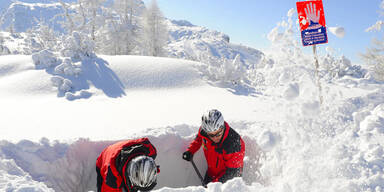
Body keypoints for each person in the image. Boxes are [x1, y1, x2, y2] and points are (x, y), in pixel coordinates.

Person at [182, 109, 245, 185]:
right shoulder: (204, 132)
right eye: (211, 135)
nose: (215, 138)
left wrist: (214, 184)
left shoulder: (234, 144)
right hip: (211, 173)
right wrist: (190, 151)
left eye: (218, 134)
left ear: (222, 127)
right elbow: (199, 139)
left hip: (228, 181)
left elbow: (233, 172)